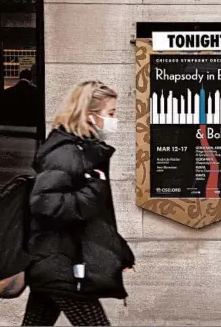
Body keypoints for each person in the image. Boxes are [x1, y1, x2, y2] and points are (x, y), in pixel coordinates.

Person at [22, 81, 136, 326]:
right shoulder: (66, 153)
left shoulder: (82, 150)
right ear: (89, 115)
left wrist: (118, 252)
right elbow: (43, 203)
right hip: (62, 263)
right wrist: (94, 189)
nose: (115, 119)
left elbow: (92, 218)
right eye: (111, 113)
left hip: (57, 261)